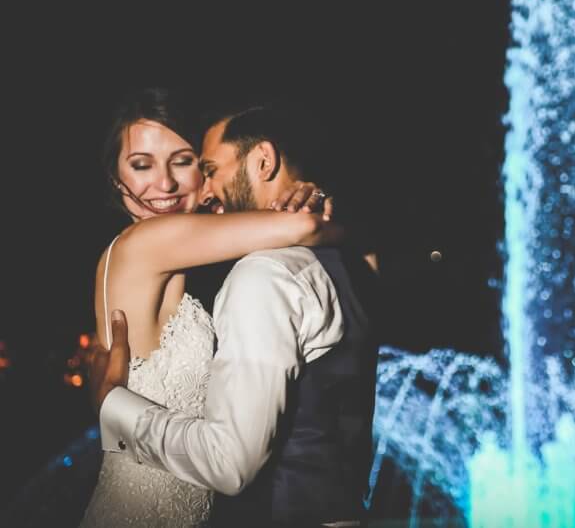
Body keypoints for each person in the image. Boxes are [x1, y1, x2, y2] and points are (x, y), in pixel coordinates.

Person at [89, 103, 381, 528]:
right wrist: (318, 205)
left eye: (186, 163)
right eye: (141, 165)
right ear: (118, 182)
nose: (166, 182)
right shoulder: (145, 242)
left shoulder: (198, 265)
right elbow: (307, 229)